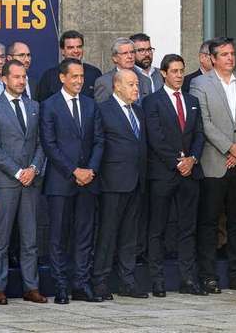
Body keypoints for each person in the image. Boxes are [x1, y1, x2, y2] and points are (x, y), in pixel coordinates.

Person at [190, 37, 236, 294]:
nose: (230, 58)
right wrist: (228, 147)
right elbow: (204, 122)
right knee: (209, 222)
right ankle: (208, 276)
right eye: (224, 54)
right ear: (212, 58)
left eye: (232, 53)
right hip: (214, 163)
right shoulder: (199, 83)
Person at [40, 58, 104, 304]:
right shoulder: (50, 105)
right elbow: (50, 144)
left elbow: (99, 140)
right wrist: (73, 171)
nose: (79, 81)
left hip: (88, 181)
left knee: (84, 235)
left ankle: (81, 284)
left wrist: (90, 170)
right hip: (60, 182)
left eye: (81, 77)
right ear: (62, 78)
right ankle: (61, 287)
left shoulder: (91, 105)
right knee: (58, 236)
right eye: (74, 76)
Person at [143, 54, 206, 297]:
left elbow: (199, 134)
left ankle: (188, 279)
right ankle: (157, 281)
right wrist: (176, 161)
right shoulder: (152, 101)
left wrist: (192, 159)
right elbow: (155, 137)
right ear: (164, 74)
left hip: (190, 173)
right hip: (163, 173)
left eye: (182, 71)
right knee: (157, 228)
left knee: (187, 228)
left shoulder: (192, 100)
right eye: (175, 71)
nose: (179, 75)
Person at [0, 59, 46, 305]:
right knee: (1, 237)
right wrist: (17, 172)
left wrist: (33, 168)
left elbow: (42, 143)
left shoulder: (34, 106)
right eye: (17, 77)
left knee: (30, 238)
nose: (21, 81)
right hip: (7, 181)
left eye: (24, 77)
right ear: (5, 79)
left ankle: (31, 287)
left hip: (31, 182)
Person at [91, 70, 148, 300]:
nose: (137, 88)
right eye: (131, 84)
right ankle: (100, 281)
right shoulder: (103, 110)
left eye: (137, 84)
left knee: (129, 234)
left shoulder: (139, 111)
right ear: (117, 86)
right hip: (112, 183)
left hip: (136, 181)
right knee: (108, 233)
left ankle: (128, 280)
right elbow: (98, 145)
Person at [35, 30, 103, 101]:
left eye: (79, 47)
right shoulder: (49, 76)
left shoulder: (94, 73)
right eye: (71, 48)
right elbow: (43, 106)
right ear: (62, 51)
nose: (76, 51)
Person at [94, 38, 151, 103]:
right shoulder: (104, 82)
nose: (130, 56)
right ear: (115, 58)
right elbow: (101, 109)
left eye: (132, 52)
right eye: (125, 53)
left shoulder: (145, 80)